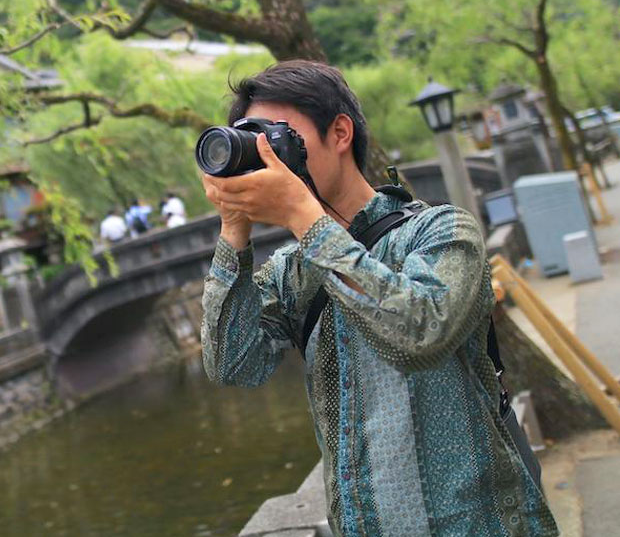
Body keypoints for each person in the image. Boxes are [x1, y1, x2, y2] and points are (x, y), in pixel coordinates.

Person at [200, 61, 558, 537]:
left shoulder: (440, 230)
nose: (264, 155)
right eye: (250, 138)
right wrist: (234, 225)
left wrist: (302, 215)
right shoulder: (292, 269)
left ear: (340, 132)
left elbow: (418, 334)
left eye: (276, 136)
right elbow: (233, 365)